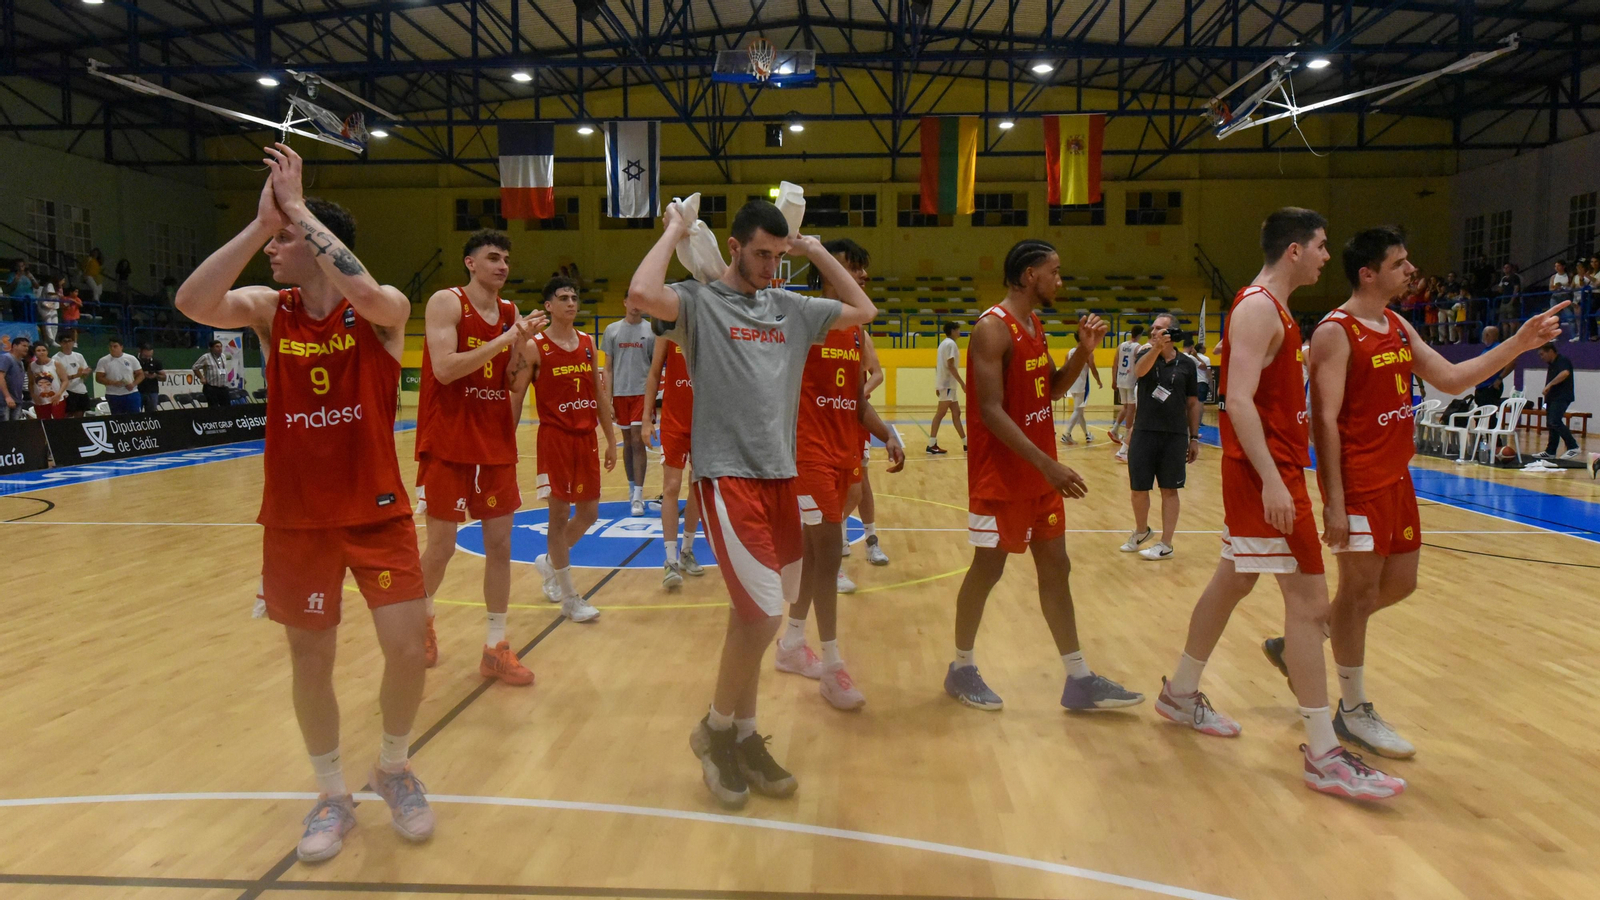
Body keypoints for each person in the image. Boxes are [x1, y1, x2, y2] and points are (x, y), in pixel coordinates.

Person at [175, 143, 435, 862]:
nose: (274, 250)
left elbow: (377, 297)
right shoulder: (269, 311)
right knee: (309, 659)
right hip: (296, 519)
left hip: (377, 510)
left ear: (323, 246)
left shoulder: (383, 314)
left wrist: (301, 214)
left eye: (284, 239)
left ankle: (393, 765)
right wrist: (263, 223)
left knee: (407, 649)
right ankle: (331, 795)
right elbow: (193, 302)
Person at [1262, 226, 1567, 759]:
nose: (1410, 270)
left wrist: (1520, 342)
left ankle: (1302, 643)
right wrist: (1333, 498)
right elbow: (1324, 423)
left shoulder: (1398, 324)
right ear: (1369, 273)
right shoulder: (1337, 332)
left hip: (1398, 477)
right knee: (1357, 594)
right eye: (1400, 263)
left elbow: (1451, 379)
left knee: (1401, 583)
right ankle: (1353, 709)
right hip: (1358, 482)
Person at [627, 199, 877, 809]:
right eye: (761, 253)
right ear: (734, 248)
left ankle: (743, 734)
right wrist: (676, 232)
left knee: (754, 615)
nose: (770, 266)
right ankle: (714, 731)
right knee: (765, 616)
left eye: (777, 254)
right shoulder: (699, 304)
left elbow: (863, 310)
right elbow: (639, 292)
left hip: (781, 479)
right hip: (725, 478)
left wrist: (812, 249)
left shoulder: (792, 308)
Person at [1152, 207, 1406, 800]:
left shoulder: (1276, 309)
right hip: (1267, 474)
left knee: (1234, 581)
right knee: (1311, 605)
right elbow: (1236, 401)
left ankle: (1180, 693)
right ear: (1294, 250)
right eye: (1319, 246)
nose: (1325, 255)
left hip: (1268, 470)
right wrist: (1271, 479)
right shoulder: (1259, 307)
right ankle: (1324, 752)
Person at [944, 239, 1142, 713]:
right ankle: (960, 668)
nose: (1060, 280)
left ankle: (1078, 679)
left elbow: (1049, 391)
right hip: (1004, 478)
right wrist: (1049, 464)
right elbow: (990, 411)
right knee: (987, 569)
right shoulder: (992, 329)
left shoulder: (1033, 324)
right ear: (1030, 274)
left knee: (1057, 567)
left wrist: (1081, 352)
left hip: (1038, 478)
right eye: (1054, 271)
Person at [777, 237, 906, 710]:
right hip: (805, 454)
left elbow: (855, 400)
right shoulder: (803, 318)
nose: (864, 276)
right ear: (829, 270)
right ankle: (832, 667)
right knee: (829, 550)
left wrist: (886, 432)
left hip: (840, 450)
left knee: (817, 556)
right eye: (855, 267)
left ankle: (792, 643)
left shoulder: (853, 332)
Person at [414, 229, 545, 683]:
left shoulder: (511, 313)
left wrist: (521, 356)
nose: (503, 266)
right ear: (470, 263)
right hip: (449, 438)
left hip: (492, 440)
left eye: (506, 258)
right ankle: (422, 623)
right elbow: (447, 369)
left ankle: (495, 646)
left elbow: (509, 380)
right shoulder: (445, 302)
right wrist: (509, 338)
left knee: (501, 545)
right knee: (442, 546)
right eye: (493, 258)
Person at [527, 276, 616, 624]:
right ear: (548, 306)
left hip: (586, 438)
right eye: (563, 297)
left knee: (590, 513)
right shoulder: (535, 346)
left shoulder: (587, 342)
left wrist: (611, 440)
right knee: (559, 515)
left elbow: (598, 394)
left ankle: (549, 563)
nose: (571, 302)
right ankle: (569, 596)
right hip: (554, 439)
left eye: (574, 297)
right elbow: (516, 389)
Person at [1120, 314, 1201, 561]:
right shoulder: (1144, 354)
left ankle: (1166, 543)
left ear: (1172, 334)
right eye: (1152, 328)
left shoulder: (1187, 364)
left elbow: (1193, 402)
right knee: (1138, 488)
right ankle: (1142, 531)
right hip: (1144, 430)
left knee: (1170, 489)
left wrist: (1194, 437)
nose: (1153, 332)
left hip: (1174, 435)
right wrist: (1155, 349)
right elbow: (1140, 372)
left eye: (1159, 329)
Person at [642, 333, 705, 589]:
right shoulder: (668, 331)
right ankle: (670, 560)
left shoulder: (712, 325)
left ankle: (687, 550)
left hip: (705, 421)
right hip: (674, 421)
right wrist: (647, 417)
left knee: (698, 488)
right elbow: (654, 373)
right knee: (671, 486)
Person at [602, 301, 656, 516]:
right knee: (627, 442)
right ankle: (632, 487)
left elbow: (654, 366)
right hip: (620, 394)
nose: (636, 306)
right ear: (624, 303)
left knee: (637, 439)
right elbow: (607, 368)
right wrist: (608, 400)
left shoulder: (651, 330)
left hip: (642, 393)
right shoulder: (612, 330)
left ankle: (639, 495)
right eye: (632, 302)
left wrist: (652, 400)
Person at [1535, 342, 1580, 460]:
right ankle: (1551, 451)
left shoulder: (1562, 360)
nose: (1541, 357)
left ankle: (1573, 446)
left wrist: (1550, 384)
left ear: (1550, 351)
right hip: (1552, 398)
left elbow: (1565, 373)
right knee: (1551, 424)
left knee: (1555, 421)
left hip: (1562, 396)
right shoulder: (1551, 364)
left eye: (1542, 354)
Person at [927, 320, 966, 454]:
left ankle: (966, 444)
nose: (960, 332)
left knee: (956, 413)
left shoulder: (943, 344)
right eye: (958, 329)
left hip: (947, 384)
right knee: (940, 414)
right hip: (948, 384)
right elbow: (950, 365)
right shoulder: (950, 344)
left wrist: (938, 384)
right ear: (953, 331)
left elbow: (938, 365)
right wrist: (962, 383)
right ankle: (931, 444)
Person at [1060, 326, 1102, 445]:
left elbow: (1064, 369)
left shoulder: (1070, 352)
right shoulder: (1087, 352)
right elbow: (1093, 368)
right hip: (1082, 385)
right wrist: (1098, 380)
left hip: (1071, 383)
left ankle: (1087, 435)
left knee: (1079, 410)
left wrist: (1063, 386)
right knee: (1078, 410)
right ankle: (1066, 434)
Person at [1108, 324, 1144, 455]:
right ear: (1140, 334)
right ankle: (1127, 435)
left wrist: (1114, 380)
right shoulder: (1138, 347)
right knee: (1131, 408)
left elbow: (1114, 364)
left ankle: (1115, 429)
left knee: (1125, 407)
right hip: (1131, 379)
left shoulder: (1121, 345)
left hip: (1121, 378)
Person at [94, 337, 144, 415]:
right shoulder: (103, 361)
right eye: (110, 346)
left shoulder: (131, 358)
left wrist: (133, 384)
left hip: (131, 393)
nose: (112, 348)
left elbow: (141, 374)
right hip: (113, 394)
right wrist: (113, 383)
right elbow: (99, 378)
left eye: (115, 346)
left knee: (135, 418)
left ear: (121, 347)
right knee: (117, 419)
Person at [52, 332, 90, 417]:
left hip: (81, 390)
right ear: (61, 343)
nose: (68, 344)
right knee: (67, 416)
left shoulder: (79, 356)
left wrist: (85, 373)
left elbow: (84, 374)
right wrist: (76, 375)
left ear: (73, 342)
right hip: (67, 391)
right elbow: (59, 378)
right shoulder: (56, 358)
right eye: (65, 341)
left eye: (70, 341)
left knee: (80, 415)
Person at [29, 341, 68, 419]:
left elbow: (65, 380)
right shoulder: (31, 365)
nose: (41, 352)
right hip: (40, 400)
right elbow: (30, 383)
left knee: (58, 421)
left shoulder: (55, 364)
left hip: (56, 398)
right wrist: (33, 395)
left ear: (47, 351)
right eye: (38, 350)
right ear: (35, 352)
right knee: (43, 422)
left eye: (44, 350)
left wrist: (59, 393)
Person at [192, 339, 233, 407]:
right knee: (214, 407)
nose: (219, 348)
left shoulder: (223, 356)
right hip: (211, 387)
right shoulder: (206, 357)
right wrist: (201, 378)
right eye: (217, 347)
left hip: (223, 387)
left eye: (220, 346)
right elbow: (195, 367)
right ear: (211, 348)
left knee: (227, 406)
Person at [0, 335, 29, 421]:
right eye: (24, 346)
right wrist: (7, 397)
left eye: (27, 346)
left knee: (14, 430)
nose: (26, 348)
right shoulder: (6, 358)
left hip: (17, 400)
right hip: (4, 401)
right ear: (15, 346)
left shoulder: (21, 362)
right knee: (5, 429)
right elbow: (1, 377)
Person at [136, 344, 165, 413]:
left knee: (152, 413)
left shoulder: (156, 362)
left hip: (152, 391)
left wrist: (155, 376)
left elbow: (164, 377)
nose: (147, 358)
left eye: (150, 356)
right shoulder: (134, 361)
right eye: (145, 356)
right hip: (137, 391)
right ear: (140, 351)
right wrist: (142, 374)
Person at [1549, 261, 1574, 341]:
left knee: (1570, 316)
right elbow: (1550, 288)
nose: (1556, 268)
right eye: (1555, 266)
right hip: (1555, 297)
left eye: (1558, 266)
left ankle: (1574, 335)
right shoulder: (1553, 277)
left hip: (1565, 296)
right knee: (1555, 317)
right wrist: (1556, 287)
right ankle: (1554, 336)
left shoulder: (1569, 276)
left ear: (1563, 266)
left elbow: (1571, 286)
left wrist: (1563, 287)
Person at [1187, 338, 1213, 403]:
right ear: (1200, 349)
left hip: (1192, 383)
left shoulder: (1190, 357)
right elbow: (1208, 372)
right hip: (1202, 382)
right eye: (1204, 348)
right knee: (1201, 403)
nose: (1205, 349)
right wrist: (1211, 384)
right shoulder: (1206, 359)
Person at [36, 276, 59, 345]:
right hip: (45, 307)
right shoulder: (49, 285)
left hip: (52, 307)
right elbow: (50, 293)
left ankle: (52, 341)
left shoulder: (57, 287)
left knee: (55, 324)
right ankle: (50, 341)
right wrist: (58, 294)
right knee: (48, 324)